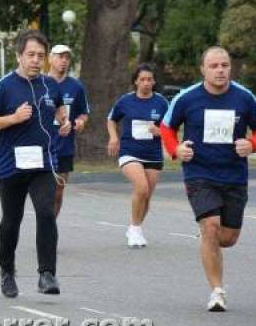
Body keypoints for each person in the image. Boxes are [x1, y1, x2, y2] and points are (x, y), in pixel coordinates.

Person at [160, 47, 256, 311]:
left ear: (230, 68)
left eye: (224, 65)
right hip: (199, 173)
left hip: (234, 175)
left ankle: (208, 238)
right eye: (213, 66)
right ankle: (217, 291)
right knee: (211, 226)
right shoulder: (186, 98)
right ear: (203, 69)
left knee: (228, 238)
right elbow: (167, 128)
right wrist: (176, 150)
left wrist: (251, 143)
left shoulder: (245, 97)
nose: (220, 70)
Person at [0, 29, 71, 298]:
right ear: (19, 56)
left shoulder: (51, 85)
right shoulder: (5, 86)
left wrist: (63, 123)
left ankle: (47, 274)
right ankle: (7, 272)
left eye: (40, 55)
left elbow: (59, 110)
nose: (35, 60)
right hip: (11, 165)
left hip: (42, 164)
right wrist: (14, 118)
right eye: (30, 54)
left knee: (46, 212)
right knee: (11, 220)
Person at [107, 64, 169, 247]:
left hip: (153, 154)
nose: (146, 83)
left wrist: (161, 132)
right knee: (141, 188)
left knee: (147, 195)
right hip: (129, 152)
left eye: (150, 79)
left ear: (154, 81)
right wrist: (113, 138)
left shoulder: (161, 102)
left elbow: (170, 127)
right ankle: (134, 229)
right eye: (142, 79)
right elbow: (111, 119)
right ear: (135, 81)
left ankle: (136, 227)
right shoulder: (126, 101)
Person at [48, 44, 90, 217]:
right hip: (42, 147)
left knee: (58, 192)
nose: (63, 61)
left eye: (66, 57)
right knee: (43, 193)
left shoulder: (76, 87)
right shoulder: (39, 83)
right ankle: (44, 225)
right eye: (60, 56)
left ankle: (49, 227)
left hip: (64, 147)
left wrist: (80, 122)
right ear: (50, 58)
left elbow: (83, 113)